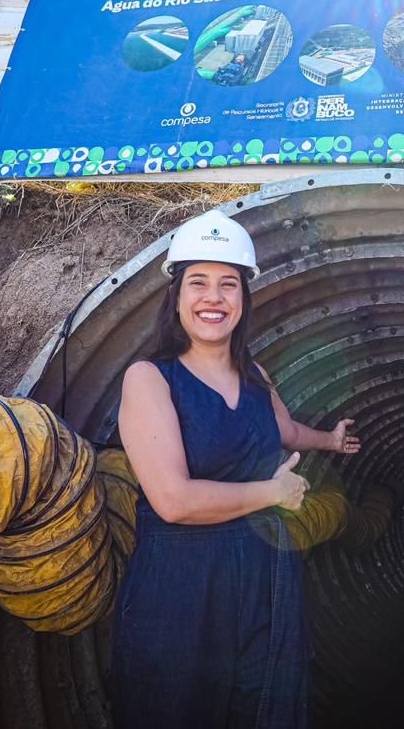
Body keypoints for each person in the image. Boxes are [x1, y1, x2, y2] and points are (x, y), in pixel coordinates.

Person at [111, 209, 361, 728]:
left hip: (267, 583)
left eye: (228, 284)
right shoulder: (149, 379)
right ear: (176, 297)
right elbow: (173, 501)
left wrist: (331, 442)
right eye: (198, 283)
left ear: (243, 300)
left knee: (266, 709)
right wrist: (272, 494)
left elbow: (286, 431)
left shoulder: (255, 377)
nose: (213, 298)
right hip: (181, 588)